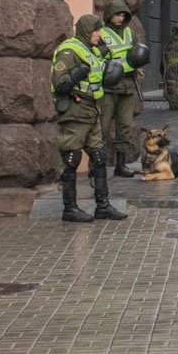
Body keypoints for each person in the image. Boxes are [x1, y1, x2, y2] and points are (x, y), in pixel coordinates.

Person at [50, 15, 128, 223]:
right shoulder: (69, 50)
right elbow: (60, 84)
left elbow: (105, 59)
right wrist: (77, 75)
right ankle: (70, 209)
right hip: (75, 110)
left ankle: (103, 206)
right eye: (96, 31)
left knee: (99, 157)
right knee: (71, 158)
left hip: (91, 110)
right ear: (85, 30)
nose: (99, 34)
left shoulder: (89, 50)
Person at [99, 0, 139, 177]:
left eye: (123, 15)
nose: (120, 18)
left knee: (124, 126)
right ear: (109, 15)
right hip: (108, 85)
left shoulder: (130, 33)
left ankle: (120, 164)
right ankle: (97, 165)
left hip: (128, 84)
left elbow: (137, 54)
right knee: (102, 125)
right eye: (117, 14)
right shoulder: (101, 33)